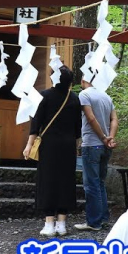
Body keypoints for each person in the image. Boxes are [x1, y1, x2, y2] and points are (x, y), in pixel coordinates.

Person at [22, 66, 81, 236]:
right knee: (66, 181)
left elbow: (36, 123)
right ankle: (62, 224)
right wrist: (76, 147)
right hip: (68, 144)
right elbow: (78, 128)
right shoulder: (74, 99)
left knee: (48, 180)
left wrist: (29, 145)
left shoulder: (44, 96)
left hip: (49, 145)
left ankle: (49, 223)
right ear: (70, 81)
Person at [74, 78, 118, 231]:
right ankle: (103, 218)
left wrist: (103, 137)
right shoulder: (106, 96)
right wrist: (110, 137)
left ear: (84, 80)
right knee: (100, 183)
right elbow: (114, 119)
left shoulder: (84, 95)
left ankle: (94, 222)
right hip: (106, 146)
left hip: (92, 144)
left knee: (91, 185)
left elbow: (90, 118)